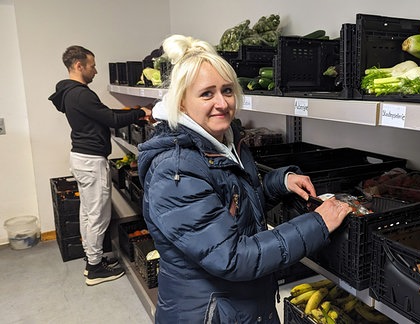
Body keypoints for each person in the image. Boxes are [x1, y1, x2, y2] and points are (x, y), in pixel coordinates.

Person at [137, 34, 351, 324]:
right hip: (209, 313)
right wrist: (318, 223)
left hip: (241, 304)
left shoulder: (225, 143)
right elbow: (232, 256)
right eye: (206, 94)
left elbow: (232, 210)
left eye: (227, 90)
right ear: (182, 103)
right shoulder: (175, 171)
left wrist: (279, 183)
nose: (222, 103)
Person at [49, 45, 152, 286]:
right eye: (92, 65)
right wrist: (141, 112)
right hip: (91, 161)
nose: (95, 70)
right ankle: (94, 268)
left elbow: (103, 113)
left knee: (87, 212)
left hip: (81, 158)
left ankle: (92, 259)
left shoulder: (69, 93)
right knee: (98, 215)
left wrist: (136, 111)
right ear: (78, 66)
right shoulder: (81, 94)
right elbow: (112, 119)